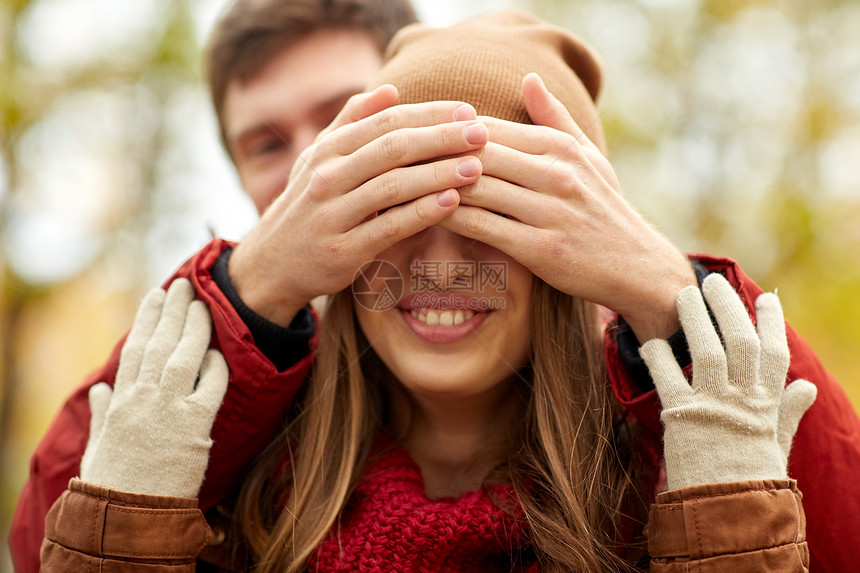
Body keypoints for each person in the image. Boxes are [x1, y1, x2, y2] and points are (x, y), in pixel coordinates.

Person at [11, 4, 860, 572]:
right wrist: (250, 287)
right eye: (271, 146)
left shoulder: (659, 437)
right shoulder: (248, 444)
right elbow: (49, 527)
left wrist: (666, 295)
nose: (323, 175)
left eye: (486, 203)